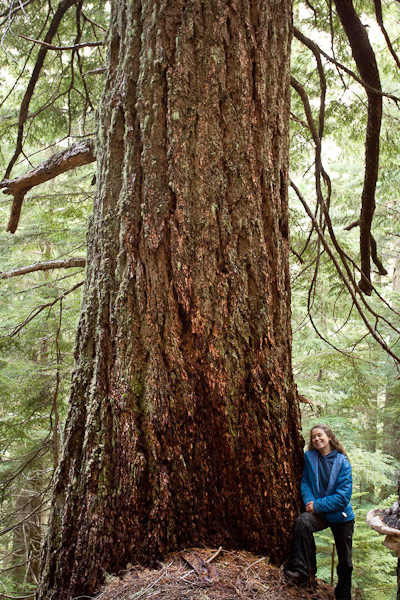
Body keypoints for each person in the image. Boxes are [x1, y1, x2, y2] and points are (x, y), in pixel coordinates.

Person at [284, 424, 355, 600]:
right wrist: (309, 501)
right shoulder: (310, 458)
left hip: (341, 516)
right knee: (303, 522)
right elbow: (306, 481)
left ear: (329, 437)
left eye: (320, 435)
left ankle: (343, 594)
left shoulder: (342, 463)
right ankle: (302, 572)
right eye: (313, 437)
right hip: (319, 513)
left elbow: (342, 498)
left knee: (345, 561)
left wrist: (317, 505)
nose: (316, 439)